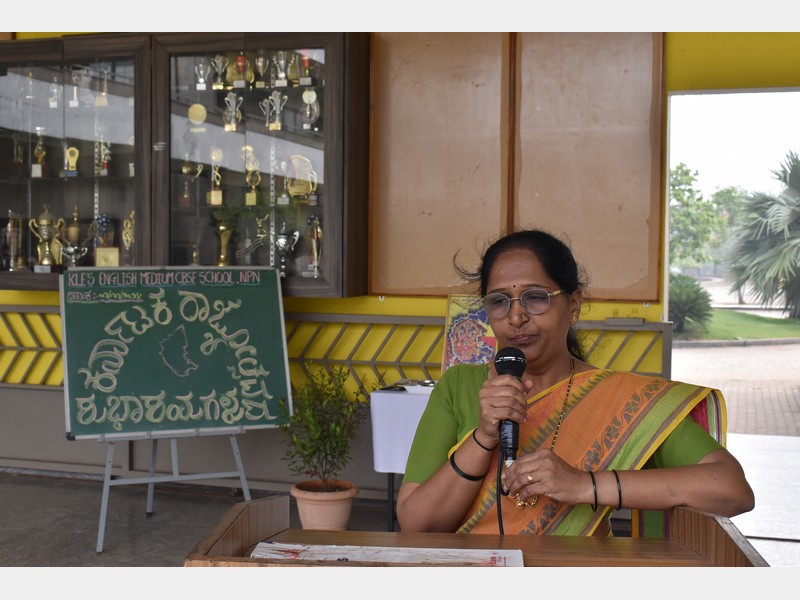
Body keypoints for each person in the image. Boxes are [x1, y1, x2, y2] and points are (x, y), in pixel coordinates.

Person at [396, 229, 755, 536]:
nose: (517, 316)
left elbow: (731, 489)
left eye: (535, 297)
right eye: (499, 301)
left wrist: (584, 484)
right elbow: (416, 523)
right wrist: (484, 436)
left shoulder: (622, 399)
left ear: (574, 305)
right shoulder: (460, 386)